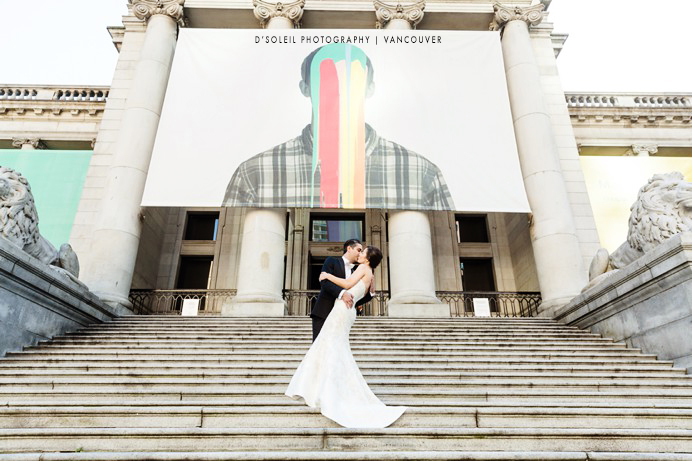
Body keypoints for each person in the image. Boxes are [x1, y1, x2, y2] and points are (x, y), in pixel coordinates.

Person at [222, 43, 454, 211]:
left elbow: (448, 253)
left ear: (370, 89)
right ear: (305, 88)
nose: (340, 91)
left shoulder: (422, 173)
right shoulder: (254, 174)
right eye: (327, 80)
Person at [285, 245, 407, 428]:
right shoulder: (370, 273)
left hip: (342, 310)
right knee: (333, 348)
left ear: (367, 258)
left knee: (330, 346)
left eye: (363, 252)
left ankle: (328, 392)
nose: (360, 253)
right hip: (346, 311)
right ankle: (325, 389)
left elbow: (348, 284)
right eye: (359, 250)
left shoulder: (363, 268)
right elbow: (363, 292)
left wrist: (327, 276)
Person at [311, 238, 372, 341]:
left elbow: (354, 298)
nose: (360, 253)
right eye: (359, 250)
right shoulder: (331, 261)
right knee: (319, 346)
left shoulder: (356, 272)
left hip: (341, 316)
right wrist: (342, 293)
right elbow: (324, 282)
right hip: (324, 312)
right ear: (349, 248)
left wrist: (371, 293)